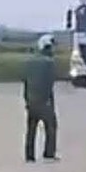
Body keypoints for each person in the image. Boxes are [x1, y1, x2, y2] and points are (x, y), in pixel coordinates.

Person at [22, 34, 58, 162]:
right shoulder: (49, 63)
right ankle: (49, 154)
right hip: (44, 101)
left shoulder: (29, 62)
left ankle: (29, 155)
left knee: (31, 129)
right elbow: (49, 83)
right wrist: (48, 100)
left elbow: (26, 82)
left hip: (31, 100)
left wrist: (26, 99)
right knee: (51, 126)